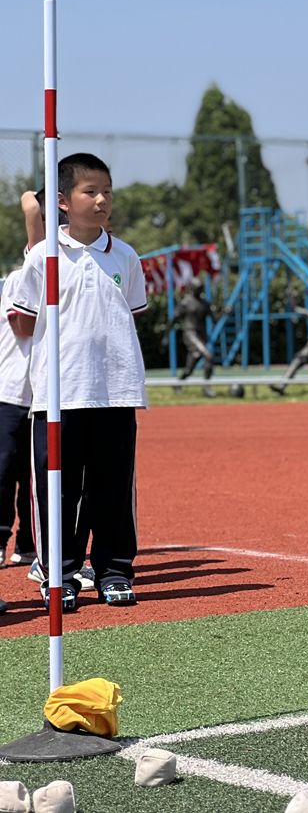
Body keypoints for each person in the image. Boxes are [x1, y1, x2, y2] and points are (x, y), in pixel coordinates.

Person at [8, 153, 148, 610]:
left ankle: (113, 569)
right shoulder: (43, 258)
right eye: (90, 191)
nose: (102, 199)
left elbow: (131, 316)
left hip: (114, 392)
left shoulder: (125, 256)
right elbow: (23, 323)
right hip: (57, 395)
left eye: (107, 190)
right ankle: (59, 573)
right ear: (64, 201)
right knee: (57, 489)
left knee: (111, 486)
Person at [0, 192, 42, 570]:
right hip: (11, 392)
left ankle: (31, 544)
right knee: (4, 470)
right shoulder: (22, 278)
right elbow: (23, 326)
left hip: (44, 394)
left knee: (35, 476)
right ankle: (0, 538)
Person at [168, 277, 219, 397]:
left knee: (190, 366)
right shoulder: (186, 302)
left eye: (201, 289)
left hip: (201, 335)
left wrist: (224, 312)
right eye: (197, 288)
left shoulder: (205, 303)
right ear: (192, 289)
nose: (199, 291)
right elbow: (174, 319)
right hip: (190, 333)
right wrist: (166, 335)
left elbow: (215, 319)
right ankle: (206, 388)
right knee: (208, 356)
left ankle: (178, 384)